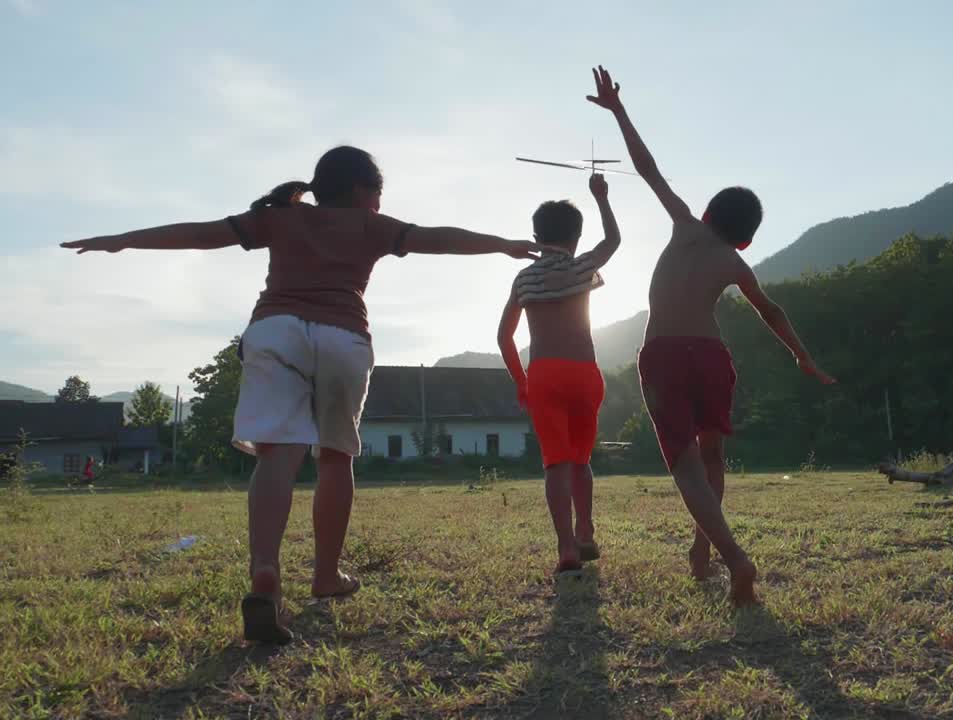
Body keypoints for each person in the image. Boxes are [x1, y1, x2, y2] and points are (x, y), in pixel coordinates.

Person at [62, 146, 557, 643]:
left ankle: (265, 571)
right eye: (379, 196)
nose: (380, 206)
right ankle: (325, 575)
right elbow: (440, 240)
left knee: (276, 456)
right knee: (336, 458)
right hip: (343, 337)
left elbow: (199, 233)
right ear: (365, 193)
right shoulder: (371, 227)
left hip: (276, 331)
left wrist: (122, 240)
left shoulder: (281, 218)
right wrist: (502, 245)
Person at [587, 67, 836, 606]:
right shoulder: (734, 262)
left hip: (664, 359)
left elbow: (648, 169)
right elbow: (772, 312)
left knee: (684, 467)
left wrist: (619, 111)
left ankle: (735, 558)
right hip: (712, 359)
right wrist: (804, 359)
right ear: (746, 237)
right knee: (713, 459)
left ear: (705, 212)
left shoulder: (685, 225)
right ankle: (701, 550)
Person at [497, 173, 621, 577]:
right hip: (585, 373)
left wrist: (521, 380)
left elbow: (505, 336)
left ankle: (566, 547)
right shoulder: (582, 266)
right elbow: (612, 242)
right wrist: (601, 197)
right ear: (575, 237)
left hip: (544, 375)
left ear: (536, 234)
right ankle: (586, 529)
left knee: (556, 462)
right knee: (581, 460)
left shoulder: (524, 278)